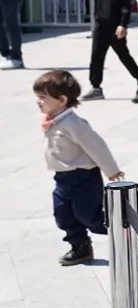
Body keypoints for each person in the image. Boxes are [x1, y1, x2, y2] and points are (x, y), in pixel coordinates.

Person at [35, 70, 125, 266]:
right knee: (63, 215)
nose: (38, 101)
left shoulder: (74, 124)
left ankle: (122, 231)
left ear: (62, 100)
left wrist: (111, 170)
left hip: (83, 177)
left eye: (43, 97)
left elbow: (96, 146)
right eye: (38, 97)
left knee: (90, 216)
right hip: (62, 179)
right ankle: (80, 246)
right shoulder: (53, 120)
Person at [84, 0, 138, 101]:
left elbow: (126, 7)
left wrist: (123, 24)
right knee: (96, 57)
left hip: (115, 28)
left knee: (124, 55)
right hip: (100, 28)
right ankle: (96, 87)